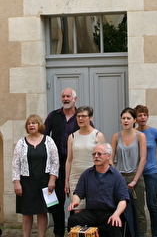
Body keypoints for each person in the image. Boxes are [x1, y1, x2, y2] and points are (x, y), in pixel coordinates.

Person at [67, 143, 130, 237]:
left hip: (109, 212)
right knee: (73, 220)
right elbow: (78, 193)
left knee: (114, 223)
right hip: (91, 212)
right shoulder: (87, 174)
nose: (96, 156)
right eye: (94, 154)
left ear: (108, 156)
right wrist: (75, 201)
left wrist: (116, 214)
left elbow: (123, 200)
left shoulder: (117, 176)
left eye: (99, 154)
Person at [12, 114, 59, 237]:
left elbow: (55, 161)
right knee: (27, 213)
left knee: (42, 212)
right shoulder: (21, 143)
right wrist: (17, 182)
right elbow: (15, 164)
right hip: (26, 182)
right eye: (29, 123)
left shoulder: (49, 141)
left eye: (34, 123)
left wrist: (52, 180)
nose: (31, 125)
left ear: (40, 125)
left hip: (44, 181)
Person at [44, 88, 81, 237]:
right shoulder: (53, 116)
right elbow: (44, 137)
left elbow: (90, 135)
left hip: (75, 165)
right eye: (63, 96)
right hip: (56, 166)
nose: (65, 99)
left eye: (68, 96)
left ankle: (74, 231)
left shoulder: (82, 116)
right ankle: (58, 233)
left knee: (76, 200)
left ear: (75, 99)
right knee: (56, 202)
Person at [111, 107, 147, 237]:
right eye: (123, 118)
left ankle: (141, 234)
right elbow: (110, 158)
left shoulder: (140, 136)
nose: (125, 121)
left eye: (128, 118)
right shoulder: (116, 136)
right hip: (119, 176)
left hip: (135, 176)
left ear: (134, 120)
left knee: (138, 211)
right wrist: (115, 176)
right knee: (118, 210)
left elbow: (143, 159)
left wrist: (135, 181)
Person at [65, 106, 105, 212]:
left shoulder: (98, 135)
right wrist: (66, 180)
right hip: (75, 178)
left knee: (94, 209)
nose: (80, 119)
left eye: (83, 116)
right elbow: (69, 160)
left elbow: (105, 158)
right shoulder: (72, 137)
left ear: (90, 118)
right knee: (77, 210)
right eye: (78, 116)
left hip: (94, 177)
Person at [135, 104, 157, 237]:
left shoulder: (155, 132)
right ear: (135, 118)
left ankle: (156, 233)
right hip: (137, 174)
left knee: (152, 204)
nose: (142, 117)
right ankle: (140, 232)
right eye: (139, 115)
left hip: (152, 173)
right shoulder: (133, 133)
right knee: (138, 206)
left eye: (144, 115)